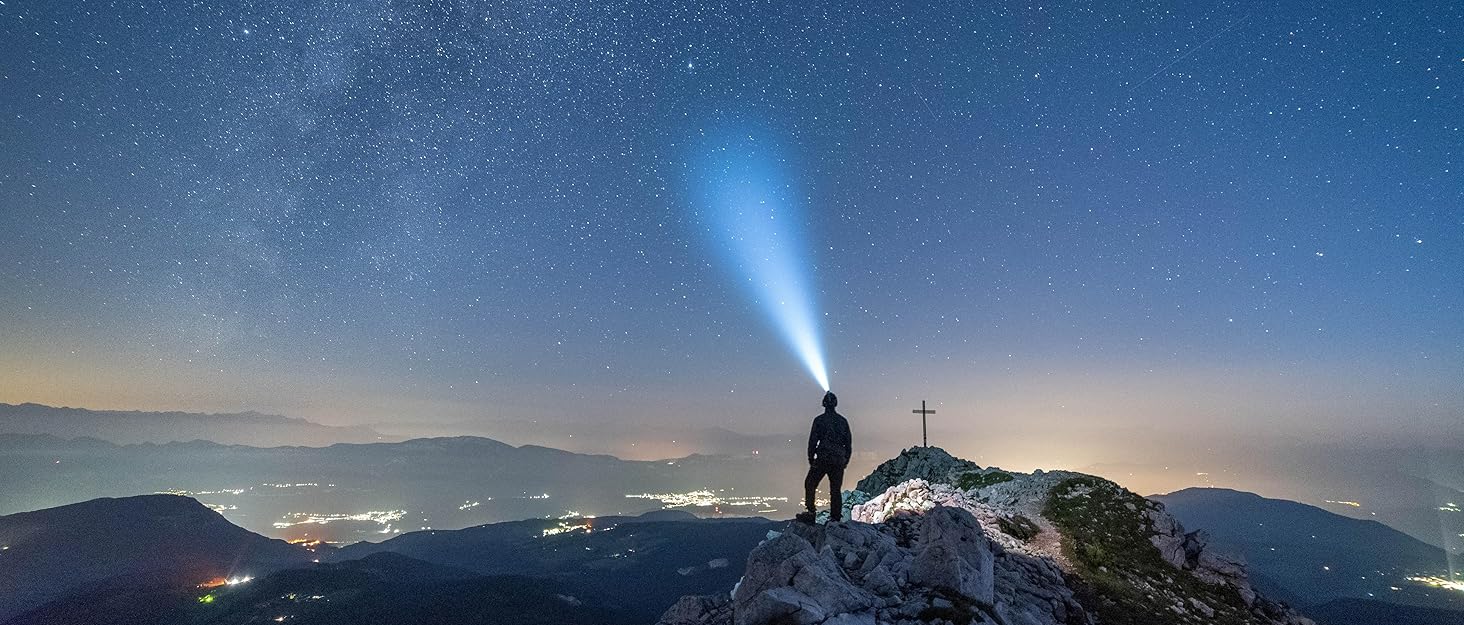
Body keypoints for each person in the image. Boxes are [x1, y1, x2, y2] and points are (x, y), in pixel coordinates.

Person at [801, 391, 852, 523]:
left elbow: (813, 441)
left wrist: (811, 459)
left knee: (810, 483)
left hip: (823, 458)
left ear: (824, 404)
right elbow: (848, 443)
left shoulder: (819, 420)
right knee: (835, 490)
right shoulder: (842, 421)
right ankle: (835, 517)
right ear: (835, 403)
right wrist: (845, 460)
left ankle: (810, 512)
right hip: (838, 460)